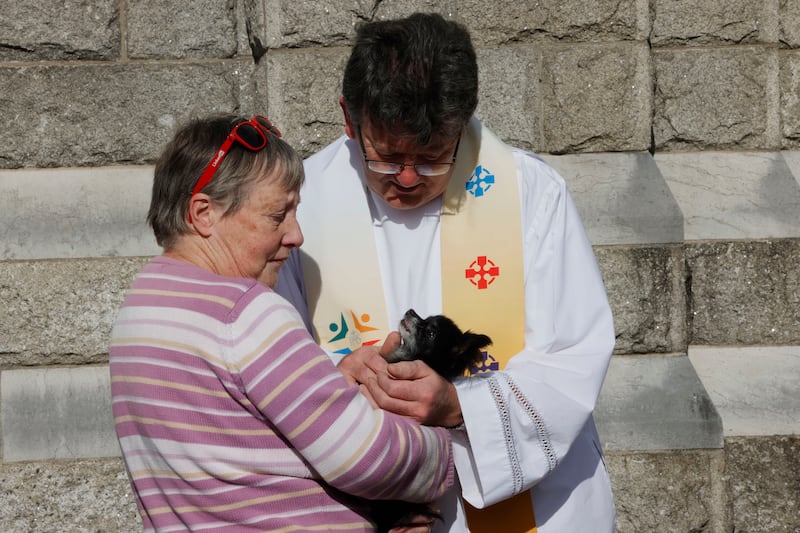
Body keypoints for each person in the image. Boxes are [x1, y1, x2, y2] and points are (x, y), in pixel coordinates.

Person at [275, 12, 616, 533]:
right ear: (349, 119)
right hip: (364, 506)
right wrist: (341, 388)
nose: (408, 178)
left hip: (529, 507)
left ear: (462, 123)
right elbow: (274, 354)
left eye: (434, 158)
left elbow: (574, 356)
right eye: (387, 158)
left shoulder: (530, 194)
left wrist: (461, 406)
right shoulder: (300, 204)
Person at [109, 113, 455, 532]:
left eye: (295, 212)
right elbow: (365, 458)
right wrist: (441, 443)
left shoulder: (140, 308)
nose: (296, 235)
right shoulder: (245, 311)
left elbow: (234, 446)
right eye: (278, 215)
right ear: (204, 213)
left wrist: (328, 387)